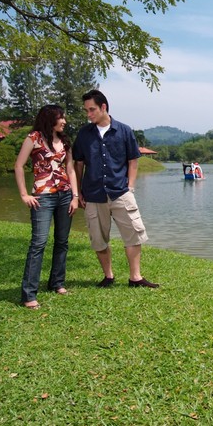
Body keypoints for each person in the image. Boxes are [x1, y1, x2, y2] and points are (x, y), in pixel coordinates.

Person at [72, 89, 158, 289]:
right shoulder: (84, 134)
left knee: (134, 234)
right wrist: (79, 192)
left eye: (92, 109)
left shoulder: (124, 130)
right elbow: (78, 164)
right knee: (98, 239)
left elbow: (133, 160)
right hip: (93, 194)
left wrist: (130, 187)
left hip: (120, 192)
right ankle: (108, 276)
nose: (88, 114)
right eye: (86, 110)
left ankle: (135, 277)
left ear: (103, 107)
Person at [14, 105, 79, 309]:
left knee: (62, 241)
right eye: (61, 118)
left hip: (65, 195)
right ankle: (29, 294)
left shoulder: (65, 141)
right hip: (43, 196)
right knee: (38, 243)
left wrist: (75, 197)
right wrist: (24, 194)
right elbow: (18, 165)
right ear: (50, 118)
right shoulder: (33, 138)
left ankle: (57, 283)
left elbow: (70, 169)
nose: (64, 121)